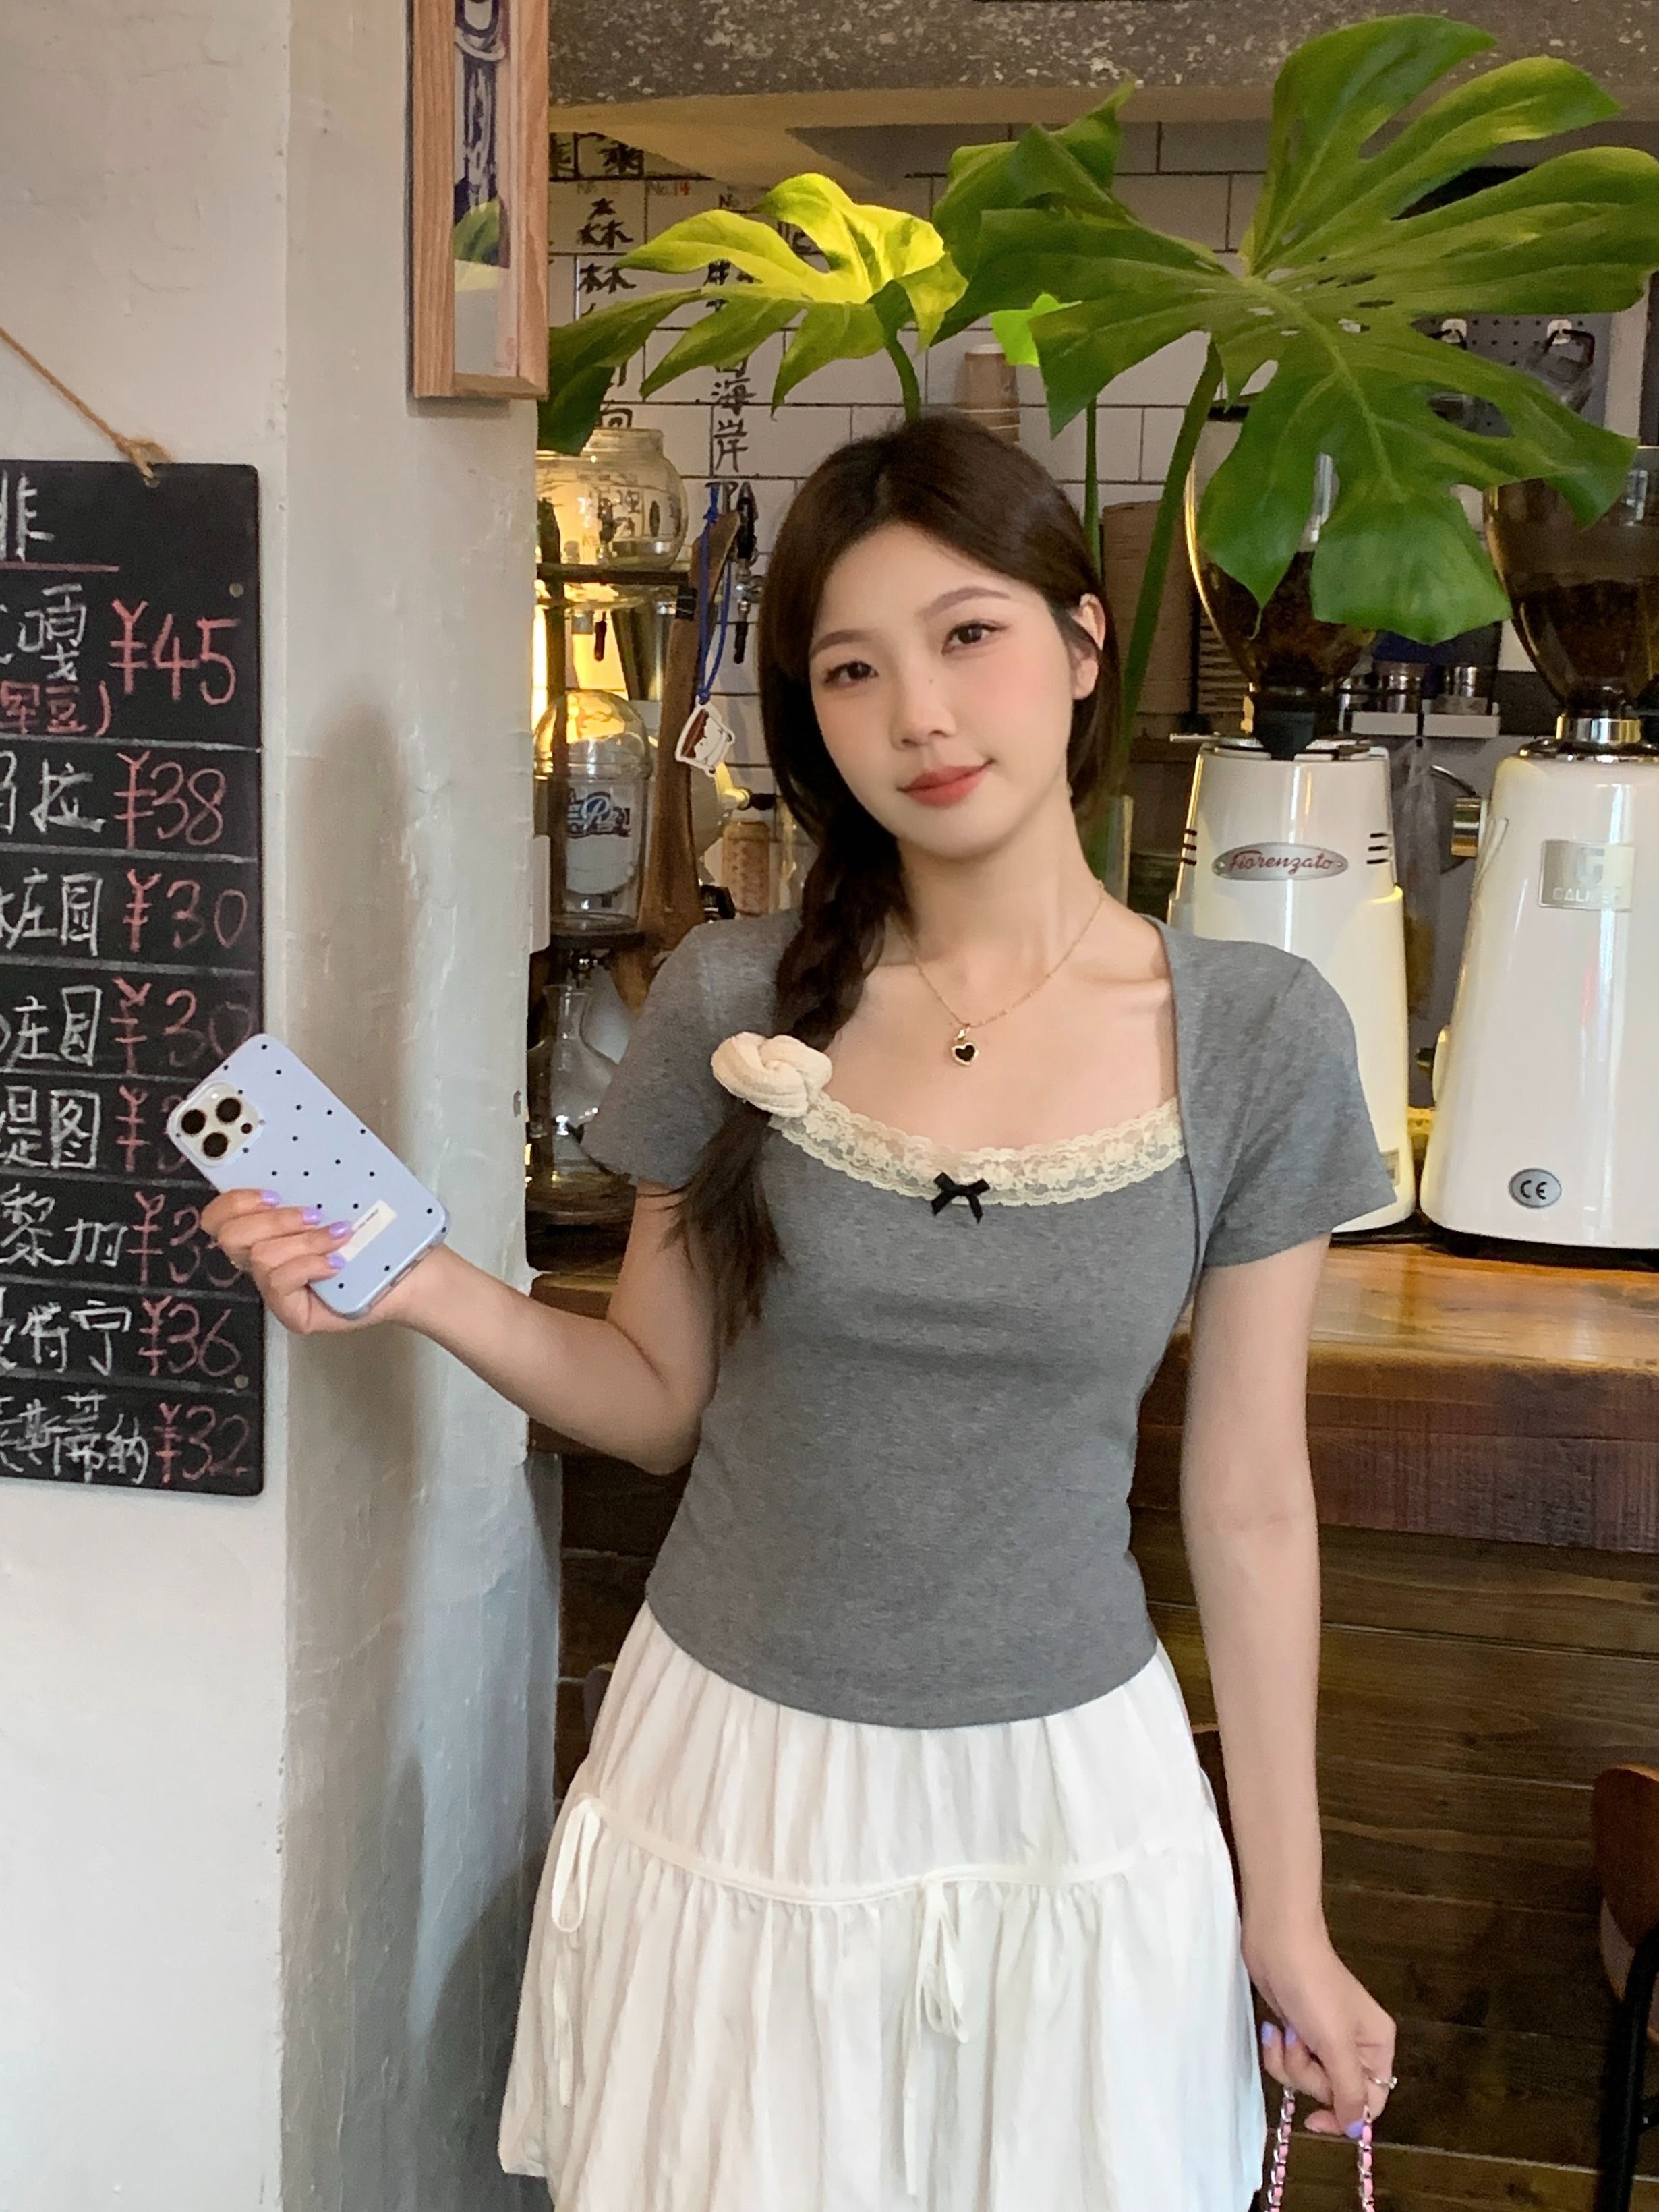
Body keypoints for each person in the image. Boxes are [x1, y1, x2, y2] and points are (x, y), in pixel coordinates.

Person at [204, 413, 1399, 2210]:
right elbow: (653, 1400)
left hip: (1070, 1799)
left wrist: (1284, 1912)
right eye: (853, 669)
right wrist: (419, 1283)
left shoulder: (1258, 1034)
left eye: (969, 636)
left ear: (1084, 646)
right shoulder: (730, 994)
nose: (920, 712)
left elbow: (1246, 1502)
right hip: (736, 1775)